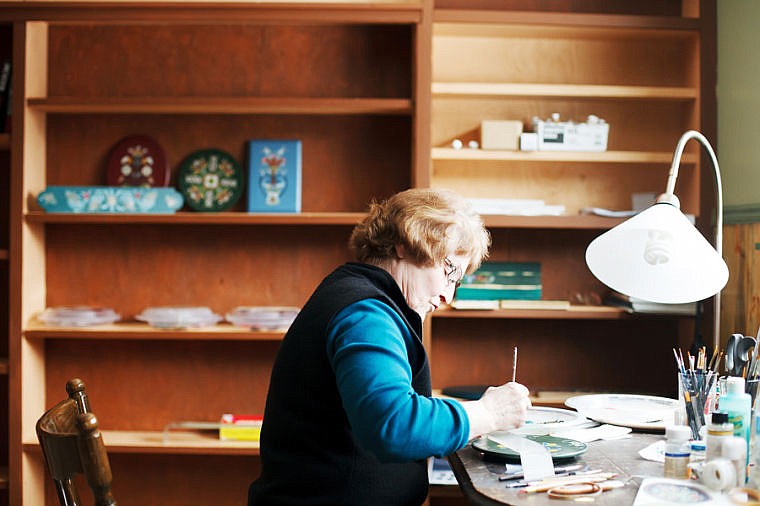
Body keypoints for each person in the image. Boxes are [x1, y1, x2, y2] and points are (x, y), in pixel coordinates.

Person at [247, 188, 531, 506]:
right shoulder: (366, 314)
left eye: (457, 282)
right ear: (406, 245)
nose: (448, 297)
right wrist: (487, 413)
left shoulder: (355, 294)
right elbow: (393, 424)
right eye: (449, 272)